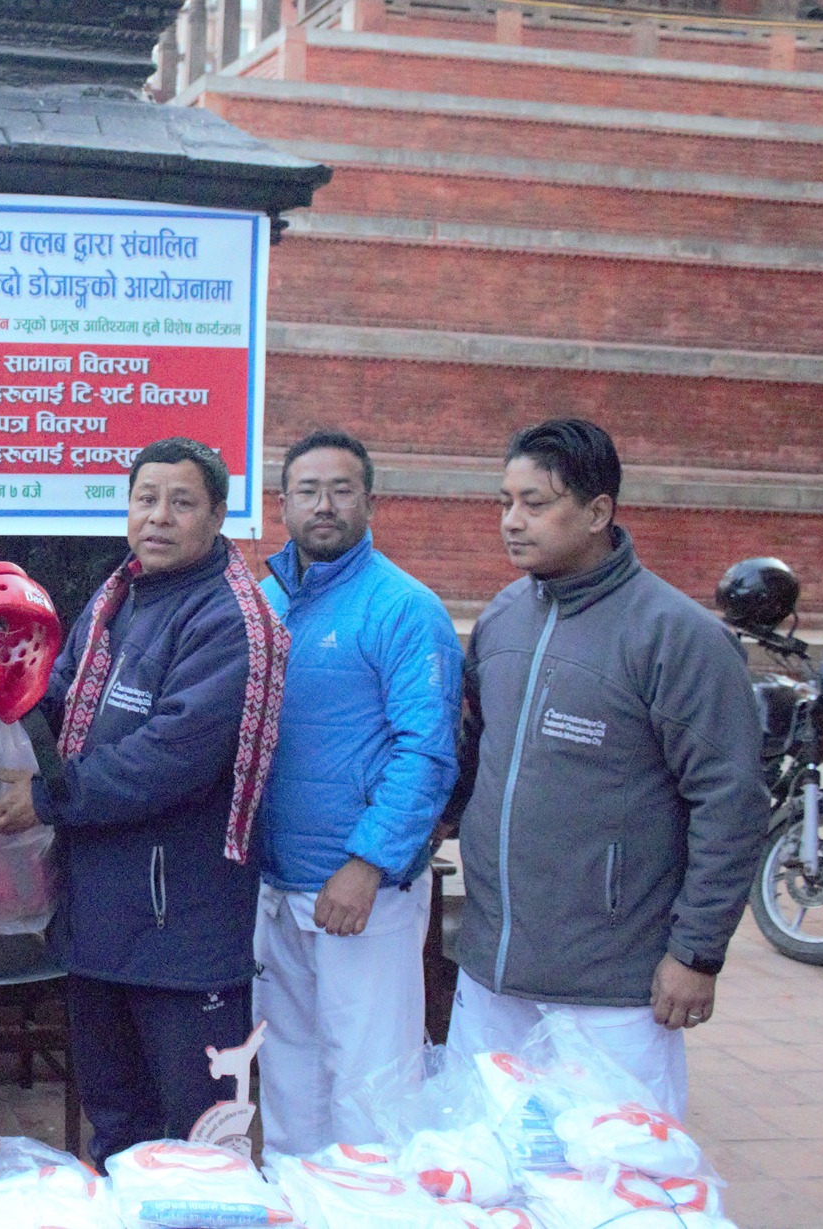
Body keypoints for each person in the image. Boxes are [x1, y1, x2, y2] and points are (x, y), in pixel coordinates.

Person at [0, 436, 290, 1167]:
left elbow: (171, 758)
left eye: (182, 502)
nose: (159, 516)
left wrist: (49, 799)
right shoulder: (122, 596)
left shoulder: (232, 620)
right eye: (146, 499)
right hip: (102, 922)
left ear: (217, 515)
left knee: (204, 1145)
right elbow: (64, 695)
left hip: (183, 935)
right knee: (116, 1129)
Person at [444, 418, 766, 1115]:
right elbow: (475, 764)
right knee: (486, 1174)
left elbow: (731, 802)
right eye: (505, 500)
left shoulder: (677, 638)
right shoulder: (502, 619)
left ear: (598, 512)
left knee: (614, 1185)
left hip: (613, 992)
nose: (512, 521)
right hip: (493, 976)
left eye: (535, 503)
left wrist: (697, 953)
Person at [251, 429, 462, 1154]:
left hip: (360, 893)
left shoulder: (406, 608)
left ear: (371, 500)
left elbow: (427, 751)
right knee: (288, 1075)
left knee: (374, 1090)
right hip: (276, 887)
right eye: (308, 490)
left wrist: (367, 863)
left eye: (342, 489)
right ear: (284, 504)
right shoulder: (266, 600)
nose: (325, 505)